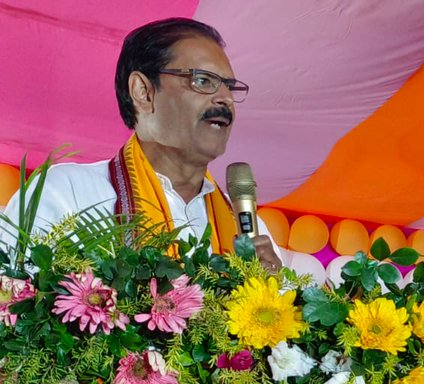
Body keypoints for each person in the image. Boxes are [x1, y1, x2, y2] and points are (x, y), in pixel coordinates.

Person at [2, 18, 280, 271]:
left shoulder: (247, 229)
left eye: (229, 86)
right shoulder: (67, 194)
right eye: (203, 81)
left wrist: (274, 291)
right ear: (143, 91)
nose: (225, 98)